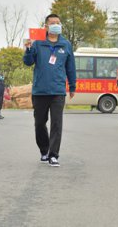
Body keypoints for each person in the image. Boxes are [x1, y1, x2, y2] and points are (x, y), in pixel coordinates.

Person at [23, 13, 76, 167]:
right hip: (40, 91)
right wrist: (28, 49)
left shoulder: (65, 45)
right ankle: (44, 150)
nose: (56, 25)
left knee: (57, 124)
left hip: (58, 91)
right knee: (39, 123)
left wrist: (72, 85)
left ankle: (54, 155)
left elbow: (70, 67)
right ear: (46, 26)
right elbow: (28, 62)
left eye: (58, 22)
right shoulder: (38, 43)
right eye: (53, 22)